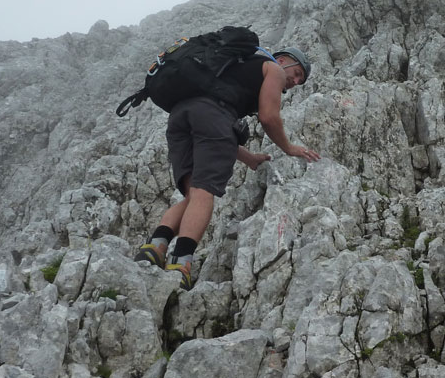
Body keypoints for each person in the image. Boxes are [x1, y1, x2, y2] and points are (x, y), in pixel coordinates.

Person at [134, 46, 320, 288]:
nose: (295, 81)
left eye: (300, 80)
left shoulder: (234, 68)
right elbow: (268, 117)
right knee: (203, 192)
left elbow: (214, 121)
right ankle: (181, 263)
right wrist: (288, 147)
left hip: (181, 116)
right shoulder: (272, 69)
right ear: (282, 60)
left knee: (192, 195)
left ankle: (156, 246)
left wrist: (249, 158)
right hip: (211, 115)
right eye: (296, 73)